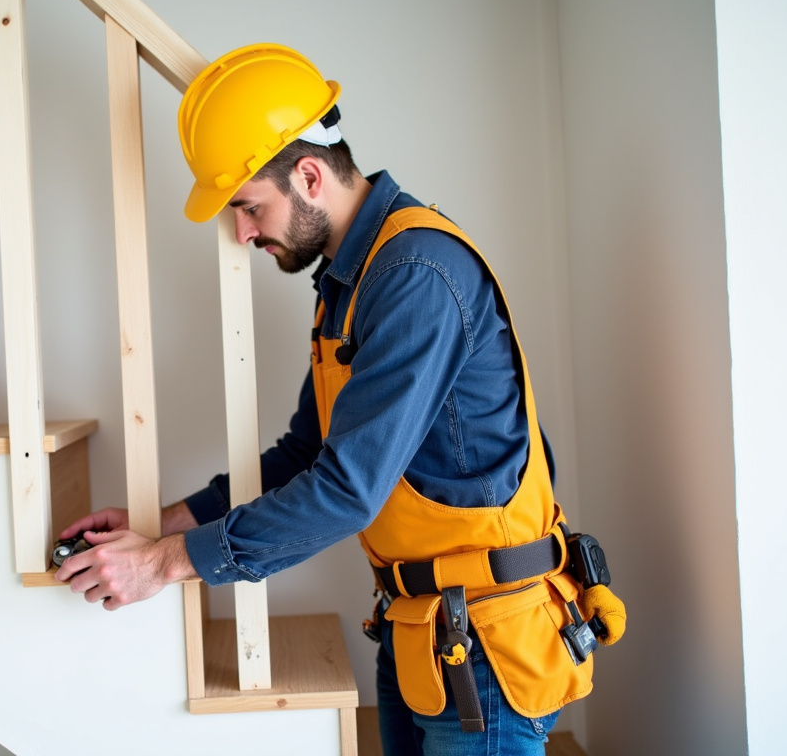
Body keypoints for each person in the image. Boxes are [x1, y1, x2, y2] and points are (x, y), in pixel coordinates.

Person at [55, 43, 625, 756]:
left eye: (249, 207)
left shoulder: (415, 274)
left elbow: (346, 491)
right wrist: (159, 521)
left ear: (309, 175)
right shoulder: (352, 286)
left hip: (485, 645)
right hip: (421, 632)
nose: (244, 233)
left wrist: (164, 562)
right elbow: (306, 453)